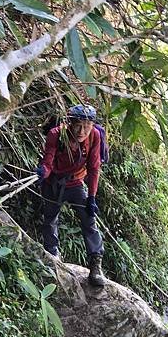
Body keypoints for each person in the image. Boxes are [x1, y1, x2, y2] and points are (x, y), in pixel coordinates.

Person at [35, 104, 106, 287]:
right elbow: (49, 159)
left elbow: (94, 167)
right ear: (70, 124)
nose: (83, 131)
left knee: (89, 221)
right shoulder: (56, 134)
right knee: (50, 219)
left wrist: (91, 197)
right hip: (54, 183)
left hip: (76, 183)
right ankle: (53, 257)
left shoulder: (94, 136)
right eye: (78, 125)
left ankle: (95, 266)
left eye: (87, 125)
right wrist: (44, 170)